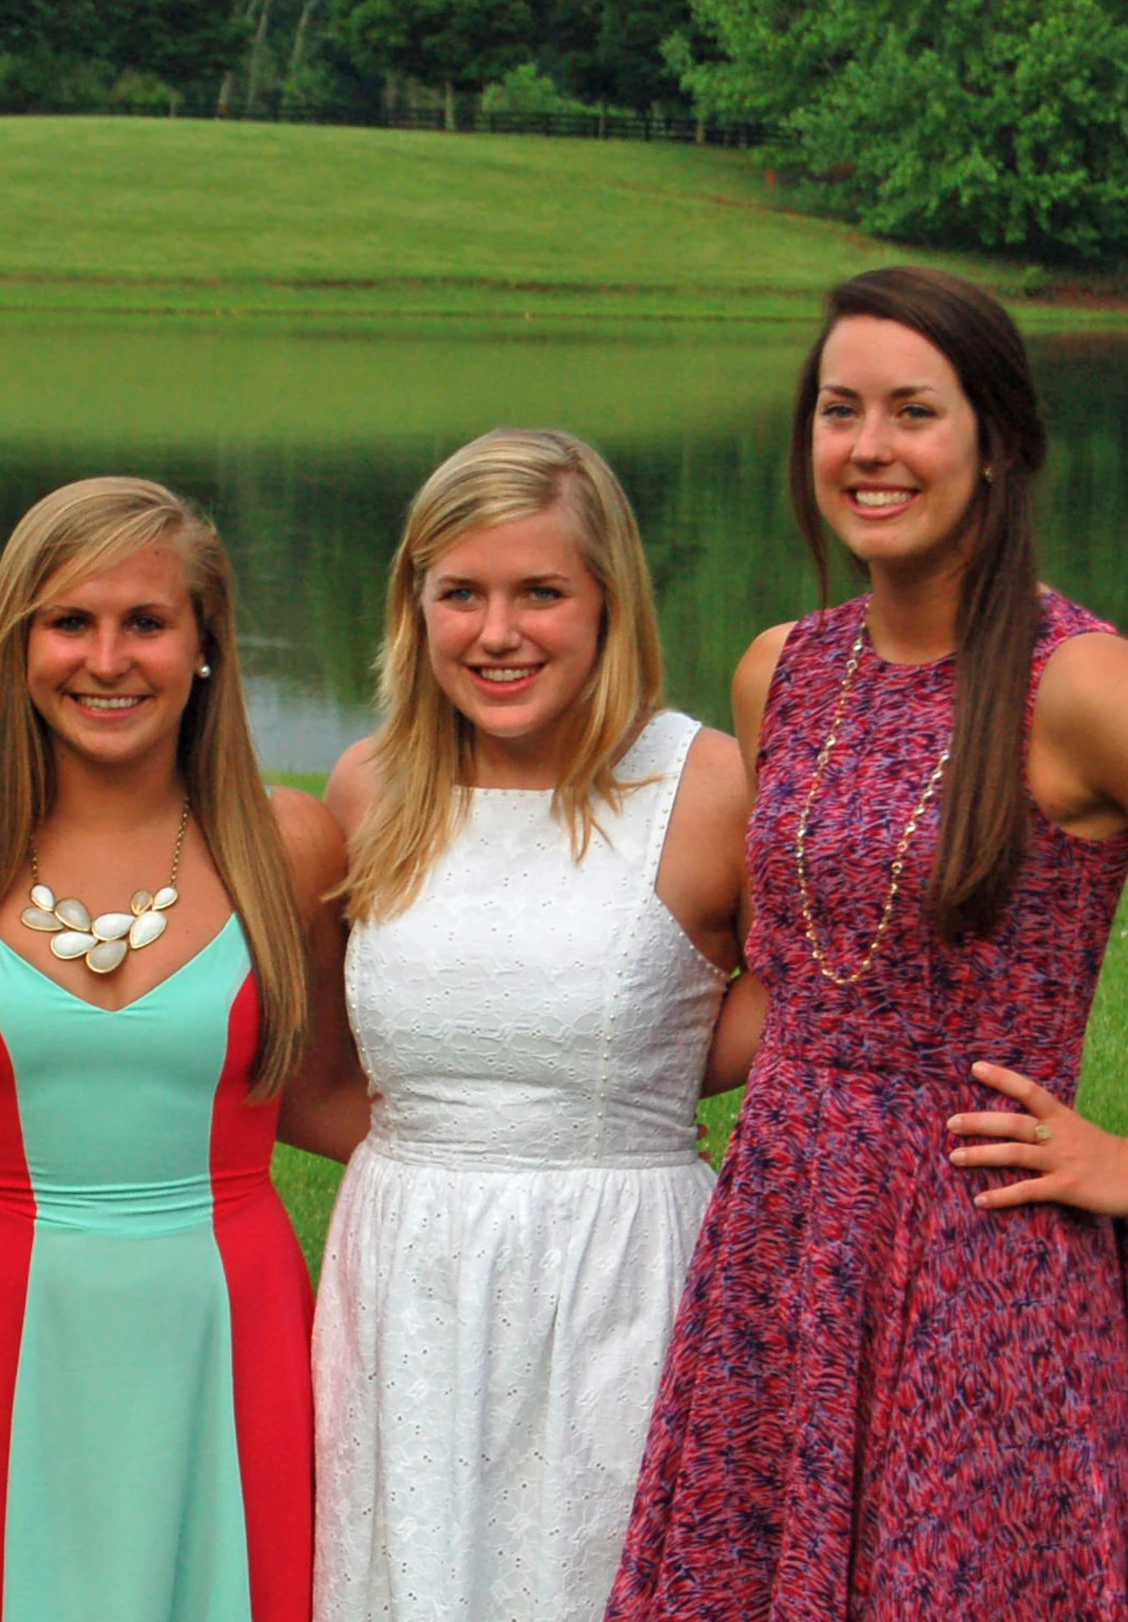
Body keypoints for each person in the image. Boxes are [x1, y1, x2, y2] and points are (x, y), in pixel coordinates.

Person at [605, 267, 1128, 1622]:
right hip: (781, 1234)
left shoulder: (1078, 684)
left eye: (911, 412)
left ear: (994, 442)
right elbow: (803, 966)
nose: (867, 448)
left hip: (972, 1252)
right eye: (837, 410)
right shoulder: (780, 671)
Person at [0, 476, 362, 1622]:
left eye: (147, 622)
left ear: (207, 645)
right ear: (17, 643)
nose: (107, 658)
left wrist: (610, 1085)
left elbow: (332, 1099)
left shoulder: (290, 843)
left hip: (221, 1320)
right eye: (70, 621)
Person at [311, 428, 754, 1622]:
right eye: (461, 593)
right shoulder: (372, 787)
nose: (497, 633)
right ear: (417, 605)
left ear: (610, 600)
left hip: (619, 1271)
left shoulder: (706, 787)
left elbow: (818, 1012)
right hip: (409, 1269)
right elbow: (319, 1074)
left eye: (540, 592)